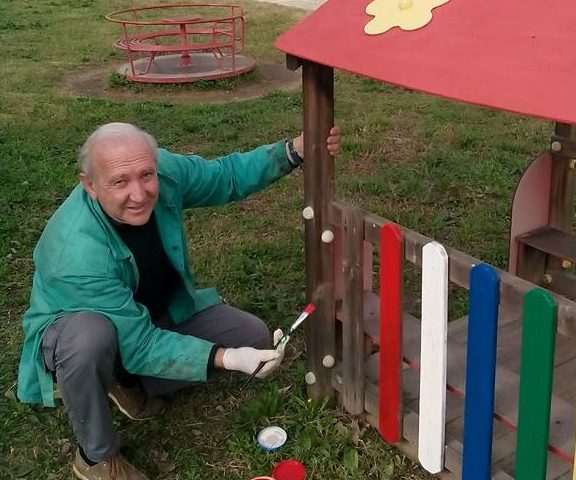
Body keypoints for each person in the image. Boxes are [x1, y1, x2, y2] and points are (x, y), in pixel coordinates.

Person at [16, 122, 342, 480]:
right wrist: (225, 358)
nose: (139, 193)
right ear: (89, 185)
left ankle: (127, 383)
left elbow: (224, 177)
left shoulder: (162, 169)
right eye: (120, 182)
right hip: (84, 329)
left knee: (251, 336)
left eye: (146, 175)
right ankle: (96, 458)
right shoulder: (74, 254)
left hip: (154, 312)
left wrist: (293, 151)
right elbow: (138, 342)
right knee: (89, 340)